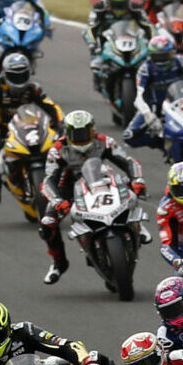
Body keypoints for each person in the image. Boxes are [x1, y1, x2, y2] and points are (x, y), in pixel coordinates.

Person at [39, 111, 146, 284]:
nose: (80, 138)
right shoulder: (58, 149)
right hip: (70, 189)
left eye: (84, 133)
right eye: (75, 134)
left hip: (103, 181)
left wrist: (137, 179)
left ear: (92, 130)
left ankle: (137, 227)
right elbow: (48, 181)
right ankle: (59, 264)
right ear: (67, 133)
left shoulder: (104, 141)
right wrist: (57, 200)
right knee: (47, 224)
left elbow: (129, 162)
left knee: (134, 190)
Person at [0, 53, 61, 205]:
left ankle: (65, 185)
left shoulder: (34, 88)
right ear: (5, 74)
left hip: (29, 126)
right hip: (2, 130)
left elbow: (51, 106)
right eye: (14, 76)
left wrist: (61, 123)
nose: (19, 80)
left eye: (23, 75)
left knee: (61, 150)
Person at [127, 34, 183, 149]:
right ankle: (163, 143)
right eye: (158, 57)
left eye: (165, 56)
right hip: (156, 107)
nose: (162, 60)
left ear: (173, 52)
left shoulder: (181, 61)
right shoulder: (145, 69)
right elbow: (139, 97)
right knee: (129, 137)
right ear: (151, 56)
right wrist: (148, 115)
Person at [84, 0, 148, 55]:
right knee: (87, 33)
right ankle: (98, 53)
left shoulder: (135, 8)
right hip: (106, 40)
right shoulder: (99, 8)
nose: (119, 7)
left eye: (122, 3)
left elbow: (148, 25)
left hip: (130, 38)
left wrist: (152, 41)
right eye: (116, 4)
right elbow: (90, 28)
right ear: (109, 0)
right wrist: (92, 44)